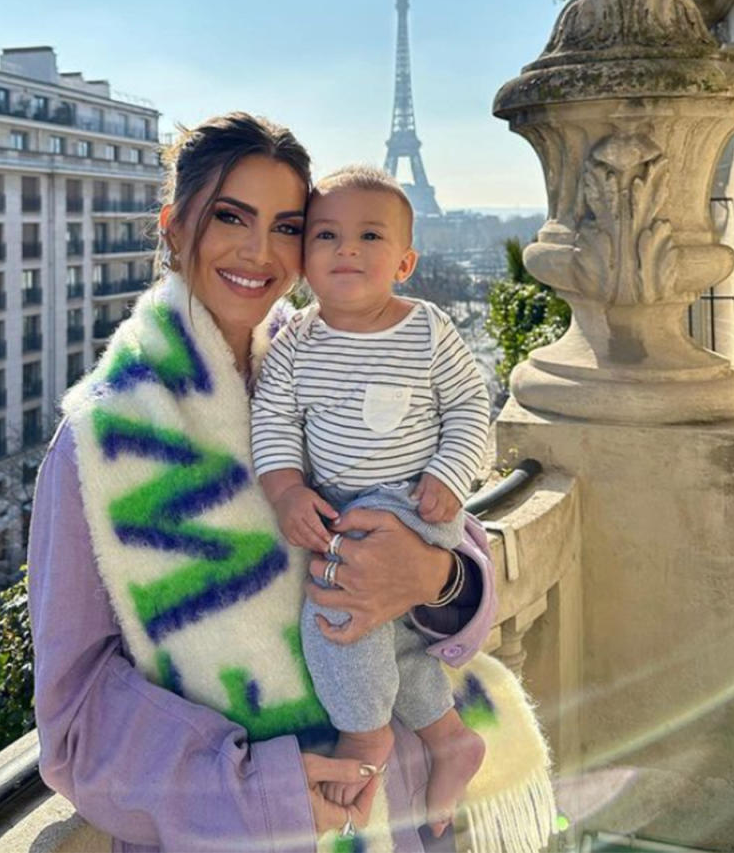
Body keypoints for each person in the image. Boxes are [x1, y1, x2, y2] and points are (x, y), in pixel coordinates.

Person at [28, 112, 498, 853]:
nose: (260, 251)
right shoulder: (101, 439)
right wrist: (265, 791)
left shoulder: (332, 362)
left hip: (407, 810)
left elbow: (455, 547)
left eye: (287, 225)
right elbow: (76, 718)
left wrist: (437, 578)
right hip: (250, 832)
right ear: (174, 227)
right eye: (229, 216)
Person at [252, 167, 491, 834]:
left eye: (368, 235)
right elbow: (273, 425)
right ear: (304, 259)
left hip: (416, 506)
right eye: (326, 234)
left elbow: (472, 406)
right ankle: (449, 736)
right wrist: (287, 489)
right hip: (340, 507)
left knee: (336, 613)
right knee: (392, 639)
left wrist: (450, 473)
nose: (345, 248)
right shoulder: (296, 340)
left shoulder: (428, 330)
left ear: (406, 261)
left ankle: (363, 736)